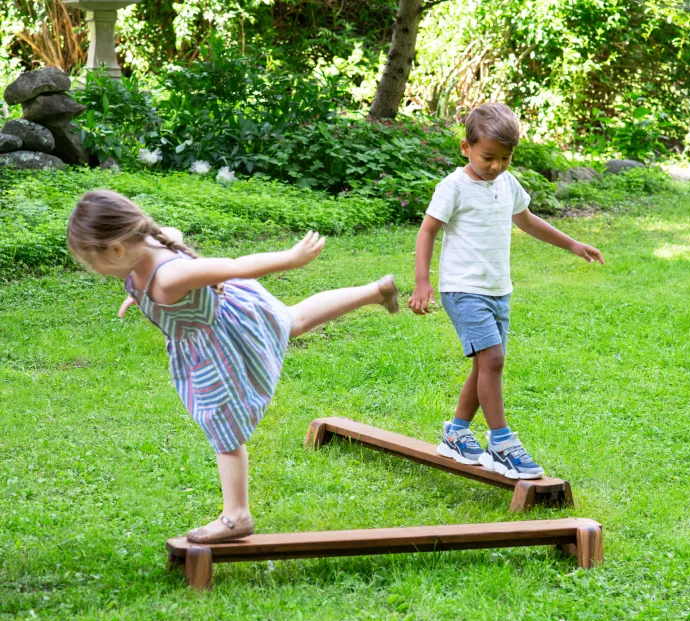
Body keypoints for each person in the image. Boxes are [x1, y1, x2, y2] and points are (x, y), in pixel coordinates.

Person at [67, 189, 399, 543]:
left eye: (91, 262)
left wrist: (292, 258)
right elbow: (175, 236)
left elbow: (236, 265)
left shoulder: (168, 280)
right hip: (231, 309)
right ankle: (375, 291)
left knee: (222, 425)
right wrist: (136, 295)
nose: (93, 269)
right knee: (295, 318)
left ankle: (237, 514)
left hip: (221, 342)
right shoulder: (151, 240)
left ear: (117, 249)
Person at [409, 103, 604, 479]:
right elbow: (427, 230)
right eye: (488, 157)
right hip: (463, 290)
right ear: (465, 147)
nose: (496, 166)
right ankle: (501, 442)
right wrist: (422, 281)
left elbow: (527, 221)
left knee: (486, 363)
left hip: (499, 290)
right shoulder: (453, 187)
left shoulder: (507, 184)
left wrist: (572, 244)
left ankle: (456, 433)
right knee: (494, 360)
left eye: (505, 158)